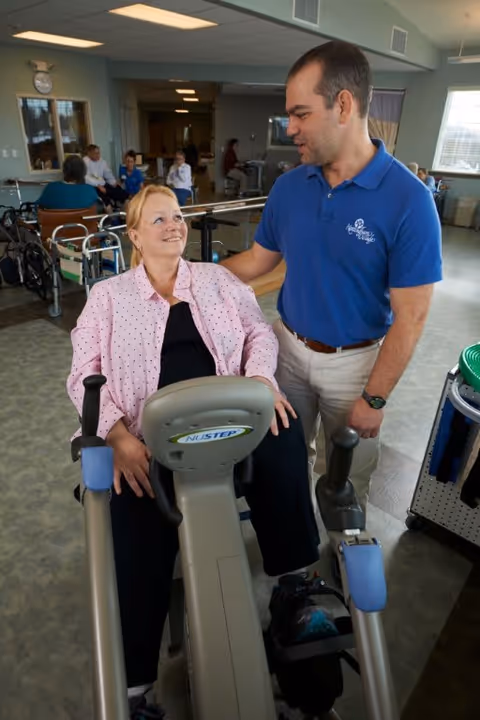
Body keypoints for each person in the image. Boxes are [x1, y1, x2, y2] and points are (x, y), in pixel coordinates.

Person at [67, 185, 320, 719]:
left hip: (229, 419)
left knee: (285, 432)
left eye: (177, 216)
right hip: (147, 437)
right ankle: (136, 687)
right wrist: (116, 438)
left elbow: (258, 333)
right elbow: (83, 374)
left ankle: (294, 589)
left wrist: (261, 383)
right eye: (157, 220)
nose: (173, 226)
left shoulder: (218, 280)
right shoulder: (108, 297)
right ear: (134, 235)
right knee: (132, 512)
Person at [222, 40, 442, 512]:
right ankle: (290, 553)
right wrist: (189, 275)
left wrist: (375, 399)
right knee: (280, 460)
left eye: (300, 113)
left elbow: (412, 317)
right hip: (286, 349)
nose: (290, 127)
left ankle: (341, 560)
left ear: (344, 105)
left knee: (345, 482)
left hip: (354, 366)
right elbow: (259, 261)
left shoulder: (409, 200)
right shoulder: (289, 185)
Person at [83, 144, 129, 210]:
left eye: (98, 153)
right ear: (89, 153)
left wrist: (113, 182)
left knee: (119, 190)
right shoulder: (85, 162)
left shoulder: (102, 161)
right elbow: (86, 178)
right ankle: (110, 214)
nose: (98, 155)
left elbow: (107, 173)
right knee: (105, 196)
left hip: (102, 183)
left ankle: (124, 210)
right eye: (95, 153)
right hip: (92, 186)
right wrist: (98, 185)